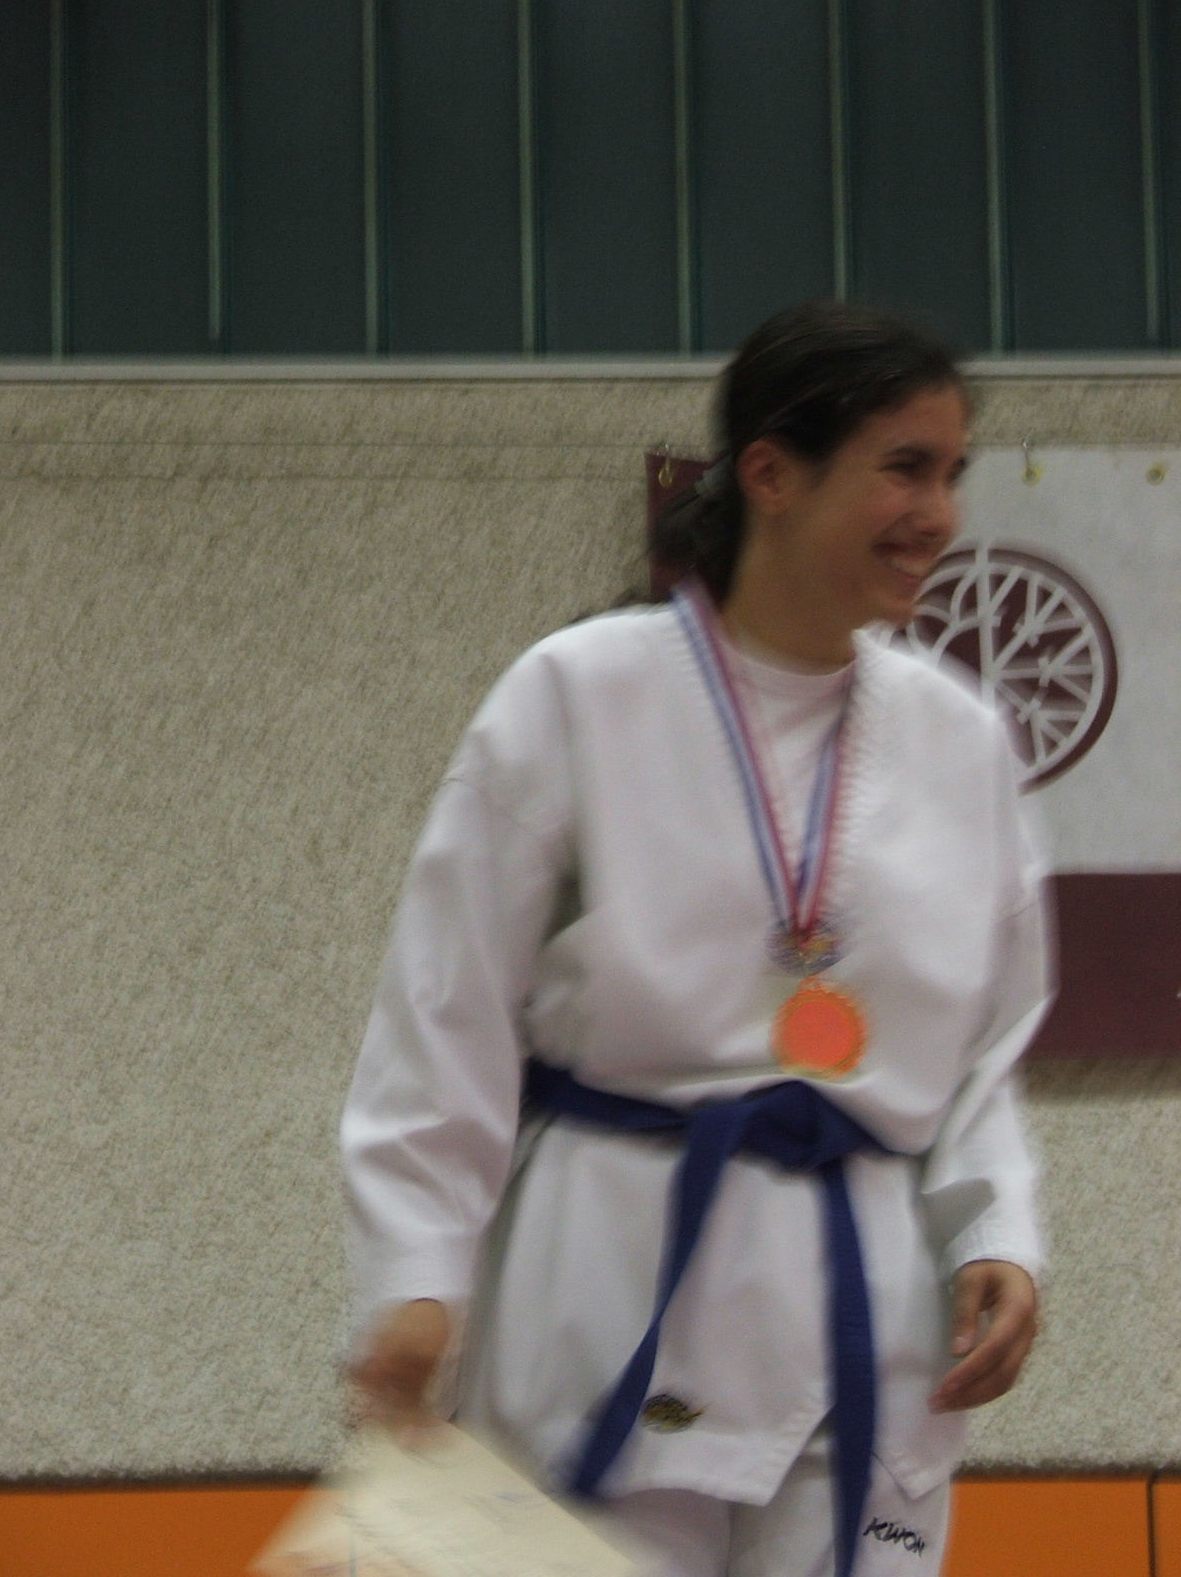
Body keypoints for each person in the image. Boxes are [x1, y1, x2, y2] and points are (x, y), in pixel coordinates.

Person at [341, 301, 1049, 1577]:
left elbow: (983, 1052)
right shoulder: (578, 694)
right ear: (772, 473)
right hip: (611, 1283)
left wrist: (993, 1233)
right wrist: (418, 1274)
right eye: (904, 467)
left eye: (953, 473)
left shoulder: (961, 742)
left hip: (863, 1305)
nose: (939, 513)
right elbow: (445, 1014)